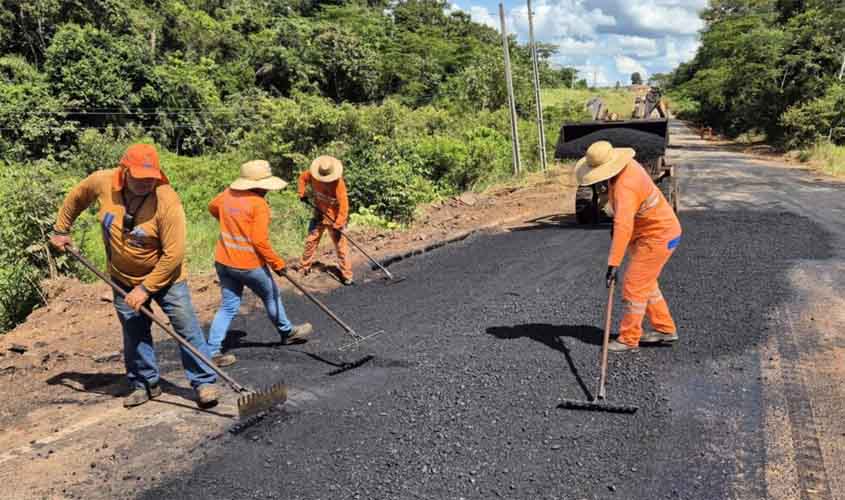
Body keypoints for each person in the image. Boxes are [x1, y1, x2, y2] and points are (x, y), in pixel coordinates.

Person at [49, 144, 220, 407]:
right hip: (122, 277)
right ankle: (144, 383)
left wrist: (145, 289)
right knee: (134, 331)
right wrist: (61, 228)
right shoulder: (103, 182)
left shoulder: (166, 200)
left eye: (150, 177)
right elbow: (76, 197)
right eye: (139, 177)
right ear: (125, 171)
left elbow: (174, 255)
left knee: (185, 327)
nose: (145, 183)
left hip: (167, 277)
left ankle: (204, 382)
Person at [575, 140, 682, 353]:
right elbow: (624, 217)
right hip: (649, 233)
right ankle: (665, 328)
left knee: (634, 285)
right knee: (646, 284)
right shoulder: (627, 167)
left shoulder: (626, 186)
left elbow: (624, 224)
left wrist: (613, 264)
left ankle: (629, 338)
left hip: (658, 236)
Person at [206, 160, 313, 366]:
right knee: (271, 295)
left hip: (224, 262)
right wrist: (277, 263)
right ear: (259, 185)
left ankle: (212, 350)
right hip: (249, 265)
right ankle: (287, 332)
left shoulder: (227, 195)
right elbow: (259, 241)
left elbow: (213, 207)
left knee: (228, 305)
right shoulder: (258, 205)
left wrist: (230, 223)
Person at [297, 155, 353, 285]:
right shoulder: (313, 175)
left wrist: (339, 222)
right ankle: (304, 267)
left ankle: (347, 275)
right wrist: (301, 193)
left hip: (334, 219)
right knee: (311, 240)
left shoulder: (338, 183)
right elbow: (302, 178)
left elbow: (344, 205)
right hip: (319, 214)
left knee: (340, 247)